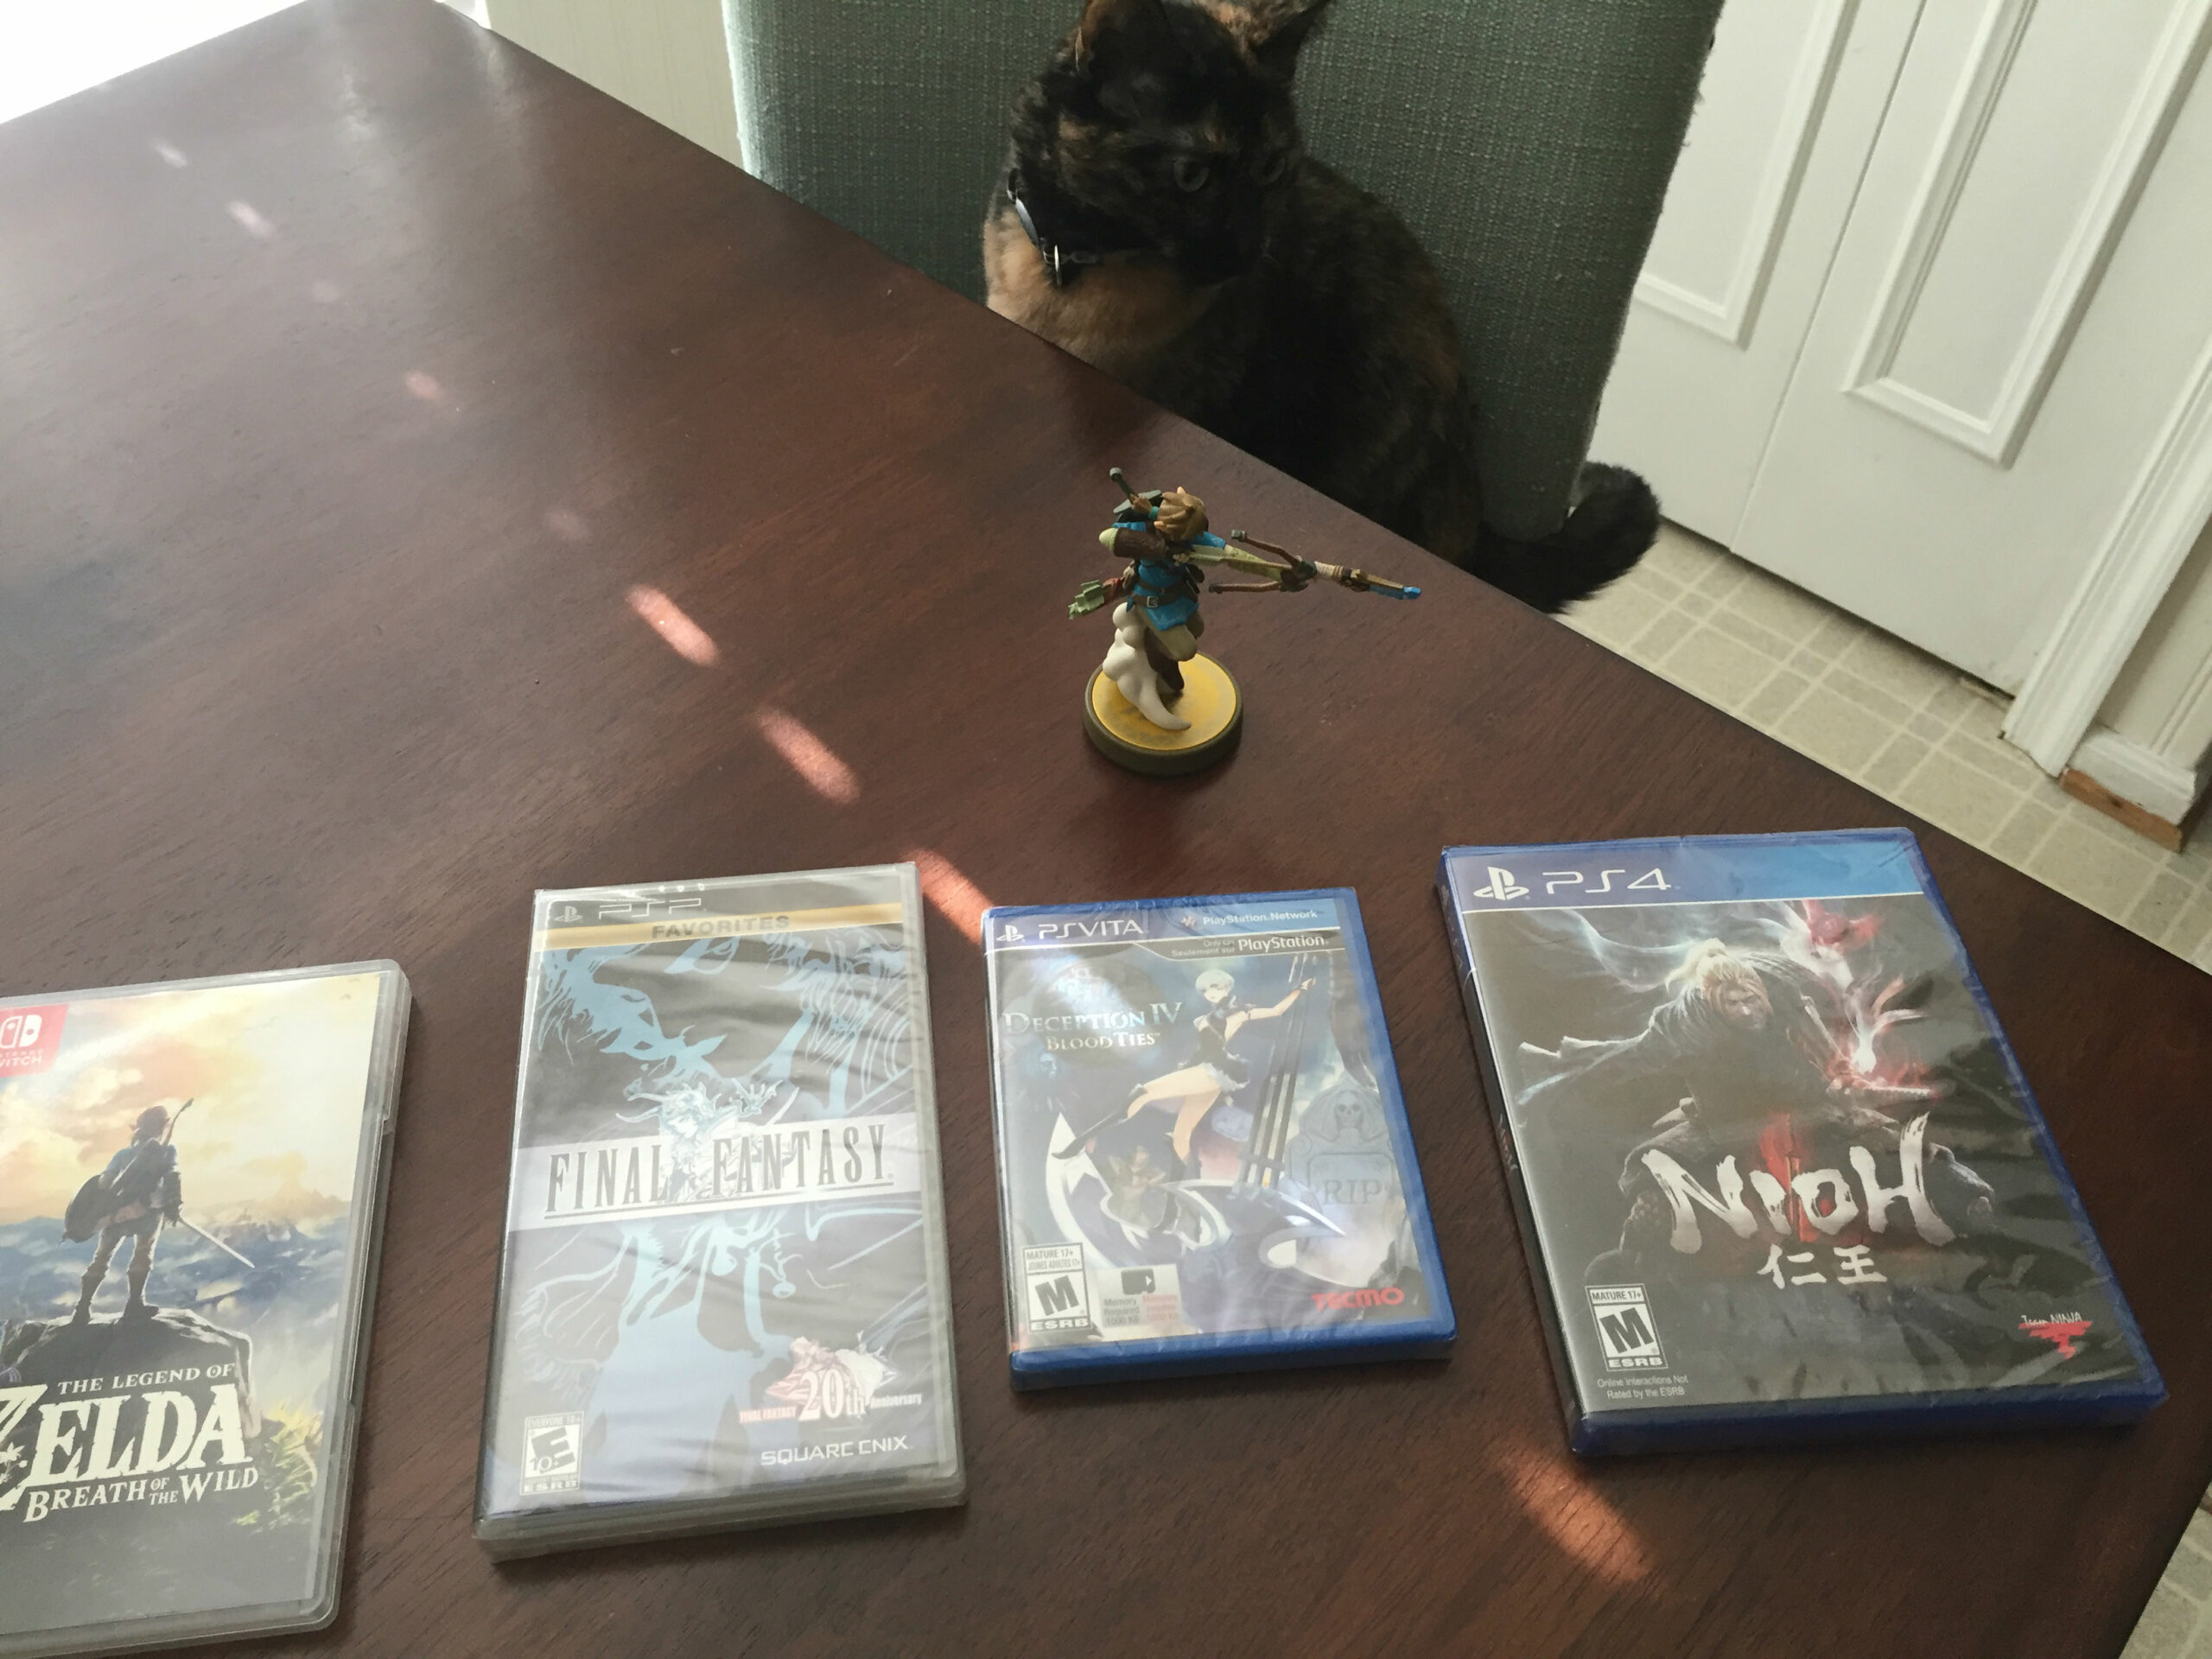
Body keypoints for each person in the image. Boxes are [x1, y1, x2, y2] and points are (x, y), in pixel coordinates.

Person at [73, 1105, 182, 1323]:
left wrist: (115, 1204)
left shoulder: (123, 1154)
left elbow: (105, 1181)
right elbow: (173, 1176)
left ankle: (82, 1308)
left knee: (101, 1258)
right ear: (162, 1127)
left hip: (116, 1214)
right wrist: (173, 1204)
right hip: (148, 1212)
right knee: (143, 1254)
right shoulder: (168, 1151)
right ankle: (134, 1304)